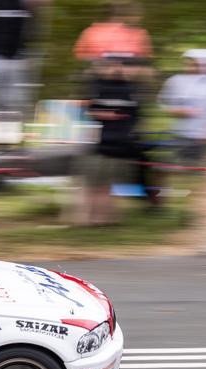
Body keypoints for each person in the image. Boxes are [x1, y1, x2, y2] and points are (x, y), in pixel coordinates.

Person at [79, 54, 141, 225]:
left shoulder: (130, 90)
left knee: (107, 187)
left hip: (118, 145)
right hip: (96, 144)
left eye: (120, 65)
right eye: (112, 65)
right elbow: (86, 111)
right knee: (93, 185)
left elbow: (131, 116)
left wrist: (107, 115)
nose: (116, 68)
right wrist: (103, 114)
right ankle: (91, 219)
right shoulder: (96, 87)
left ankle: (104, 220)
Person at [0, 0, 45, 114]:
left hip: (16, 60)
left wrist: (29, 53)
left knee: (15, 100)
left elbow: (32, 28)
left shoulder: (24, 5)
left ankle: (12, 124)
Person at [73, 1, 152, 64]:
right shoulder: (91, 31)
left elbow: (146, 56)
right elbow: (80, 54)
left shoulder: (140, 33)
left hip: (131, 73)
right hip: (98, 72)